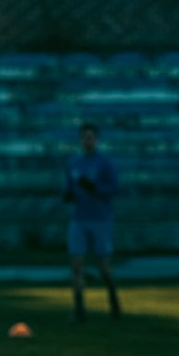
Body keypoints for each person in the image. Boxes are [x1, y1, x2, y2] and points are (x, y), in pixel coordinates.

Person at [63, 122, 121, 322]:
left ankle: (113, 299)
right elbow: (68, 187)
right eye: (84, 137)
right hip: (79, 218)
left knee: (103, 266)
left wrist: (95, 188)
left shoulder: (104, 163)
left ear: (96, 139)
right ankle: (79, 307)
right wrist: (68, 194)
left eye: (91, 137)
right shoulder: (74, 162)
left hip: (100, 219)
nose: (87, 140)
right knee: (76, 263)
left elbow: (114, 188)